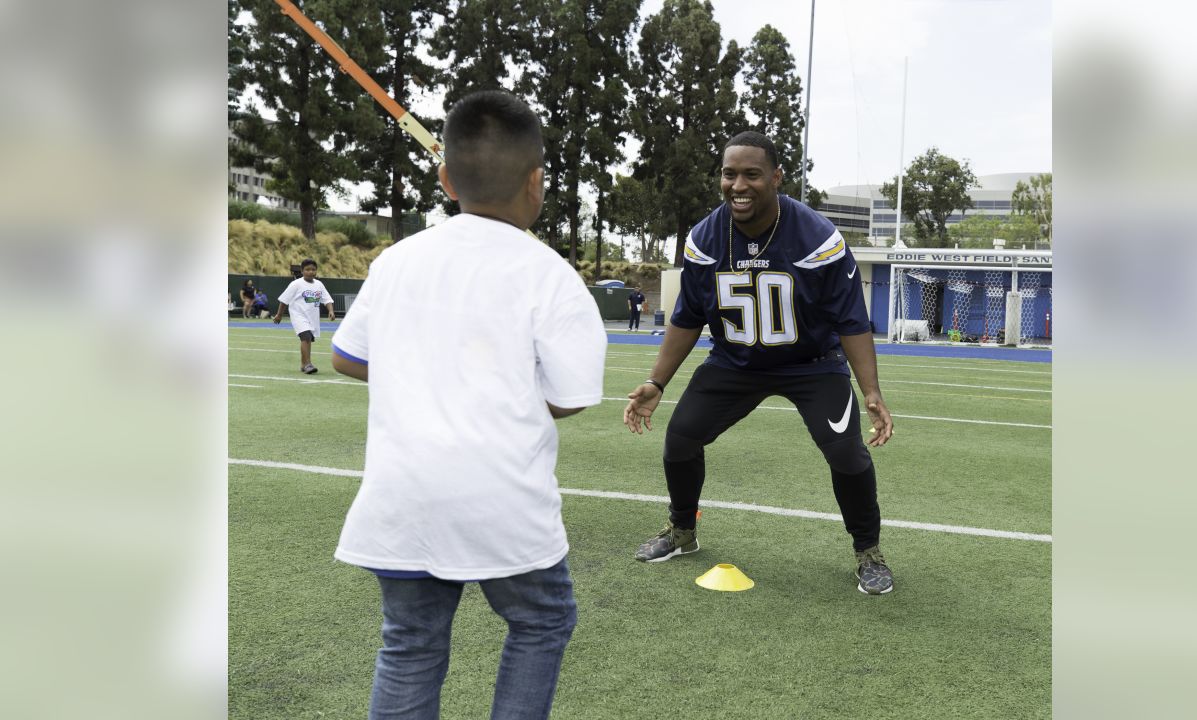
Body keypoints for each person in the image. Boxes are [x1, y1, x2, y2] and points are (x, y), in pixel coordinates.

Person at [329, 90, 607, 720]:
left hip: (404, 496)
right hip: (501, 496)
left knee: (410, 646)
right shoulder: (550, 274)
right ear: (537, 183)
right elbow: (569, 399)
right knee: (542, 621)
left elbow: (346, 355)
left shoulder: (397, 260)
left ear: (444, 177)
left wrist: (422, 375)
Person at [622, 131, 897, 595]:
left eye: (751, 174)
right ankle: (683, 532)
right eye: (730, 174)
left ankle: (868, 551)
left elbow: (852, 320)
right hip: (735, 362)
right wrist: (657, 381)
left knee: (847, 454)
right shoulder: (706, 237)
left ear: (776, 177)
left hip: (812, 362)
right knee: (681, 438)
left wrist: (870, 389)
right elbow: (688, 318)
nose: (739, 185)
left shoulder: (816, 237)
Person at [272, 259, 335, 374]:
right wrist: (279, 315)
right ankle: (307, 364)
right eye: (307, 269)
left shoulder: (319, 284)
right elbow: (284, 300)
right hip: (298, 315)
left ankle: (303, 364)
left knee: (308, 338)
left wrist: (331, 311)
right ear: (302, 271)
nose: (310, 272)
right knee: (306, 337)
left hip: (312, 317)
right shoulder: (296, 284)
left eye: (313, 269)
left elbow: (327, 299)